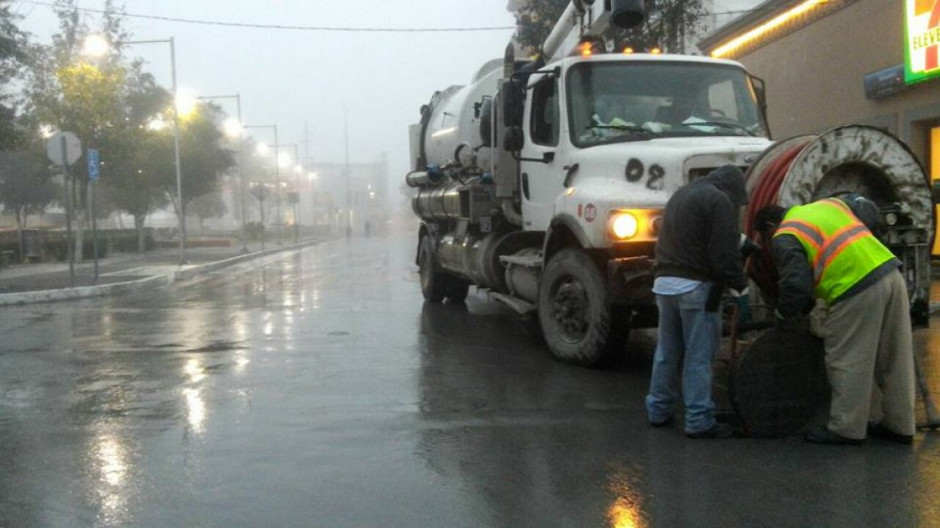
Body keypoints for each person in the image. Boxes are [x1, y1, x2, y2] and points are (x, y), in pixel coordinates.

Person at [753, 195, 915, 445]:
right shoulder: (829, 205)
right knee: (894, 357)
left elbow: (796, 285)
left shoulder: (785, 234)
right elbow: (869, 213)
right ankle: (900, 425)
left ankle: (846, 429)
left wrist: (784, 315)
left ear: (769, 227)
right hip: (891, 274)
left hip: (854, 288)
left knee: (848, 359)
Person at [646, 165, 749, 439]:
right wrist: (741, 285)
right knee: (699, 356)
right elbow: (722, 255)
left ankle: (658, 409)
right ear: (733, 190)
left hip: (664, 284)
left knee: (667, 351)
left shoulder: (682, 195)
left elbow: (693, 236)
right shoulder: (719, 200)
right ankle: (698, 420)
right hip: (694, 288)